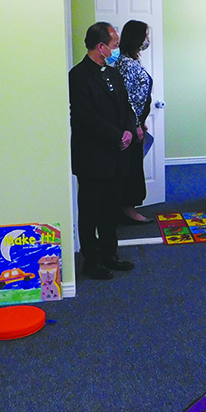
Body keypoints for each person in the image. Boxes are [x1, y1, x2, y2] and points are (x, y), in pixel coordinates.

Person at [69, 22, 137, 279]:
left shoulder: (113, 73)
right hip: (93, 157)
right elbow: (84, 117)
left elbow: (126, 107)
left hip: (117, 156)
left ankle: (110, 254)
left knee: (111, 210)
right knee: (91, 211)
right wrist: (117, 136)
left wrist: (129, 130)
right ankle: (92, 260)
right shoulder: (78, 76)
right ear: (100, 47)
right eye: (115, 45)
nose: (117, 50)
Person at [116, 20, 154, 225]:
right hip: (129, 125)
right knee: (130, 168)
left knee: (134, 165)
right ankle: (127, 209)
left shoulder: (134, 61)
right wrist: (135, 125)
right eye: (145, 35)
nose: (147, 39)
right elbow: (127, 97)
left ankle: (128, 207)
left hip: (137, 121)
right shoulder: (126, 63)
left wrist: (142, 121)